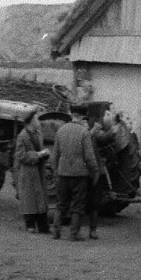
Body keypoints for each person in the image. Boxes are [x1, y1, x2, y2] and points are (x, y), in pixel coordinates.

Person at [51, 103, 99, 241]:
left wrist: (55, 170)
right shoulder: (84, 132)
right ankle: (74, 233)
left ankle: (56, 231)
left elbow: (54, 155)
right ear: (82, 116)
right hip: (79, 175)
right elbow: (89, 157)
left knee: (61, 203)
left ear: (72, 115)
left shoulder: (61, 130)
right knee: (77, 205)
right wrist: (95, 170)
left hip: (63, 172)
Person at [14, 108, 51, 234]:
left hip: (38, 170)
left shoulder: (36, 134)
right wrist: (38, 154)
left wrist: (44, 154)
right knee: (29, 199)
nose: (38, 121)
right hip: (28, 171)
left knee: (40, 198)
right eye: (36, 118)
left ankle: (43, 226)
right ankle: (30, 225)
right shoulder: (22, 136)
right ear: (31, 121)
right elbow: (20, 155)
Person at [86, 109, 117, 240]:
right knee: (91, 201)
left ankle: (81, 229)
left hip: (89, 172)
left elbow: (104, 138)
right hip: (91, 170)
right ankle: (88, 229)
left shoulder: (89, 135)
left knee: (88, 201)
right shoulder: (88, 135)